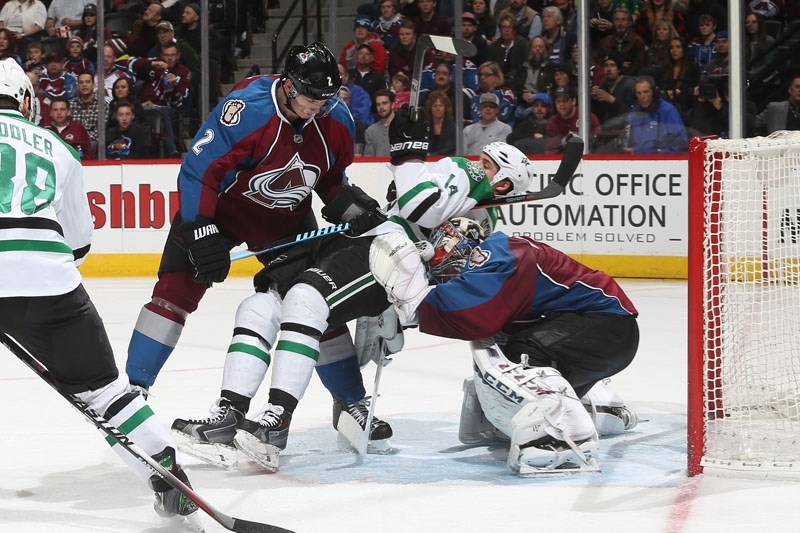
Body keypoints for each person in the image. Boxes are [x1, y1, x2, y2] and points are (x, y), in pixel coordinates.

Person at [126, 42, 396, 466]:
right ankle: (133, 390)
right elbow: (199, 170)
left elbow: (327, 181)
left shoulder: (335, 119)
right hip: (222, 212)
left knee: (313, 304)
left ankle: (351, 402)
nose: (316, 108)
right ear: (288, 85)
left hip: (285, 220)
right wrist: (200, 227)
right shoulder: (247, 108)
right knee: (173, 294)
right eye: (309, 98)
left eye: (325, 100)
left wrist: (352, 206)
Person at [0, 56, 200, 526]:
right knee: (104, 391)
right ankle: (168, 476)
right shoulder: (58, 147)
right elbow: (79, 241)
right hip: (48, 278)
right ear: (26, 101)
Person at [367, 218, 639, 474]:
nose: (447, 276)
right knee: (507, 347)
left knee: (524, 355)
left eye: (449, 266)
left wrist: (414, 302)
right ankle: (601, 410)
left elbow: (474, 315)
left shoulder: (497, 255)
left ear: (468, 250)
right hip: (604, 333)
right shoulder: (500, 253)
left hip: (608, 329)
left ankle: (560, 438)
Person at [622, 75, 688, 153]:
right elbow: (626, 143)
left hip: (663, 161)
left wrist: (650, 152)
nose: (642, 96)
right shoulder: (633, 113)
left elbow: (682, 145)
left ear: (654, 92)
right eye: (639, 93)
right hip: (637, 161)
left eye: (646, 92)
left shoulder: (668, 111)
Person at [45, 95, 93, 159]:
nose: (59, 113)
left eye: (62, 109)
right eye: (55, 110)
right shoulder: (44, 130)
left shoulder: (78, 129)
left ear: (68, 112)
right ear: (50, 113)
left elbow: (88, 154)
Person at [363, 88, 394, 156]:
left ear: (392, 104)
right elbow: (369, 158)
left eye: (384, 103)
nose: (381, 107)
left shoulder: (403, 127)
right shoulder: (370, 131)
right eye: (378, 104)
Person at [425, 89, 456, 156]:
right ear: (430, 108)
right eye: (434, 106)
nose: (438, 109)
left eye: (441, 105)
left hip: (447, 159)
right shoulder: (425, 126)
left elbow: (449, 148)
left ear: (446, 108)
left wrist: (432, 155)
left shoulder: (452, 126)